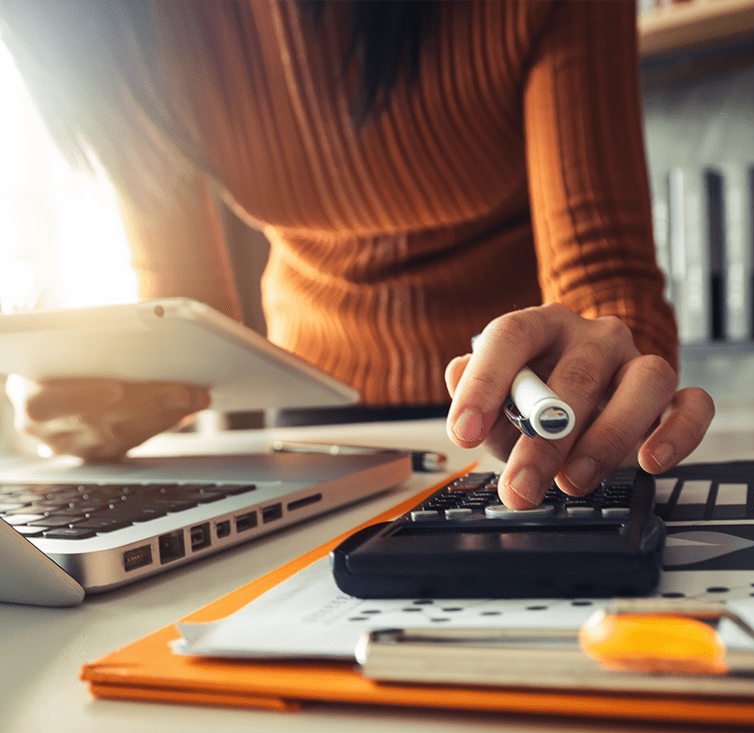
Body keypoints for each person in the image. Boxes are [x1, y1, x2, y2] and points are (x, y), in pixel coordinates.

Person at [0, 0, 714, 511]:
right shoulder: (95, 21)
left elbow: (602, 276)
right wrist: (106, 402)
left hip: (524, 406)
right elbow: (185, 305)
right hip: (312, 432)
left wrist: (610, 374)